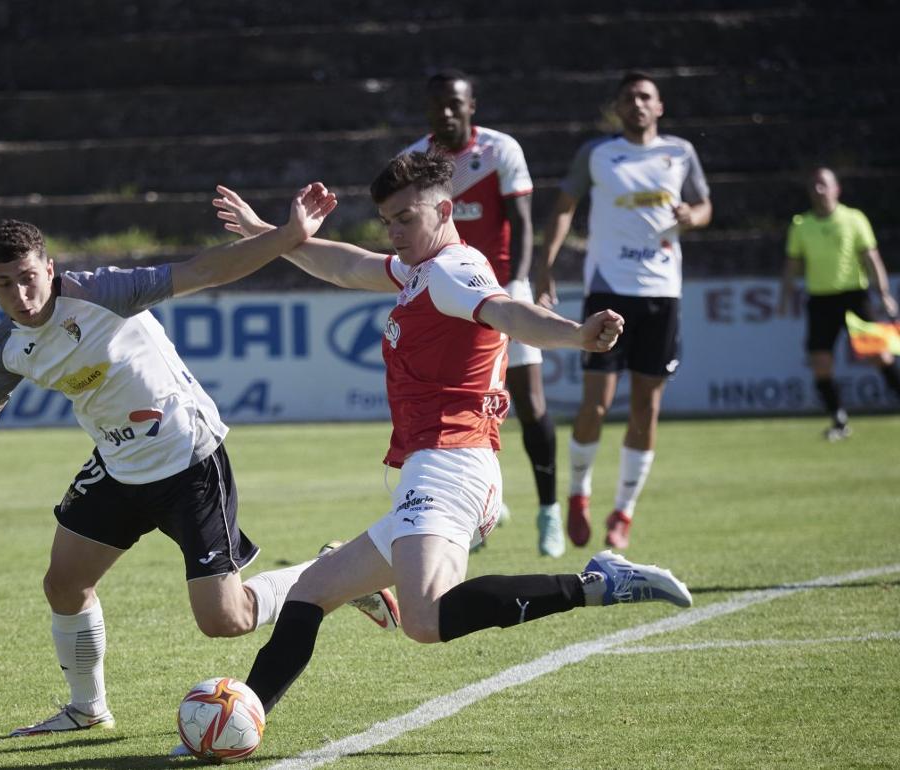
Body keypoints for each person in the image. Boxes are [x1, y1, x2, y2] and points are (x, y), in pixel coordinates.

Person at [0, 185, 400, 737]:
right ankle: (87, 708)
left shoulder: (102, 292)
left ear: (49, 267)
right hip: (118, 465)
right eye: (4, 283)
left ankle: (334, 574)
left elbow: (204, 270)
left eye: (28, 276)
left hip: (188, 458)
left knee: (225, 620)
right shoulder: (8, 346)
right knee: (64, 584)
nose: (20, 293)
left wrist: (287, 237)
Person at [212, 151, 692, 728]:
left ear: (444, 209)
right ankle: (244, 718)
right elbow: (344, 265)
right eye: (387, 221)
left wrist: (578, 337)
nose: (394, 232)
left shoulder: (451, 269)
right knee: (311, 592)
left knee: (425, 619)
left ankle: (597, 583)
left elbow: (510, 314)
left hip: (452, 464)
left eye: (405, 219)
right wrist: (272, 234)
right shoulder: (419, 267)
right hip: (435, 466)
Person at [533, 72, 712, 550]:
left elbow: (704, 205)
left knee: (646, 408)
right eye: (630, 96)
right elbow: (565, 207)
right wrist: (545, 266)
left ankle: (624, 512)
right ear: (618, 106)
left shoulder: (680, 153)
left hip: (662, 293)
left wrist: (693, 216)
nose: (637, 103)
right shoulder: (597, 153)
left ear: (659, 107)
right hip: (609, 293)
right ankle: (579, 493)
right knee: (595, 404)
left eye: (646, 96)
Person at [403, 69, 563, 558]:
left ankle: (549, 511)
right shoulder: (415, 161)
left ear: (473, 104)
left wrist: (527, 283)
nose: (446, 113)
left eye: (456, 104)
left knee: (530, 404)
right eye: (438, 106)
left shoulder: (500, 151)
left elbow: (522, 222)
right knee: (457, 407)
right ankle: (482, 504)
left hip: (501, 291)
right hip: (446, 295)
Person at [779, 167, 900, 439]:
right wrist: (784, 297)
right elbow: (792, 264)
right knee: (820, 361)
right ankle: (839, 421)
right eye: (814, 185)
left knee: (880, 355)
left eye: (823, 184)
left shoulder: (853, 219)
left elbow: (872, 258)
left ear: (837, 189)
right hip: (821, 300)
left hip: (854, 296)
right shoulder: (801, 225)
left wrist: (883, 294)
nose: (818, 190)